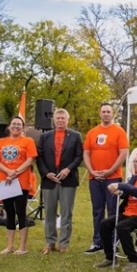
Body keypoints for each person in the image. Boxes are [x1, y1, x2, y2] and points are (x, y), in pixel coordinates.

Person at [94, 152, 137, 272]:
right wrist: (119, 192)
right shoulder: (135, 177)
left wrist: (121, 185)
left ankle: (134, 261)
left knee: (122, 227)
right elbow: (126, 193)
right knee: (104, 224)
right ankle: (110, 257)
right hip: (127, 213)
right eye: (136, 162)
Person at [83, 102, 129, 254]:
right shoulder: (92, 132)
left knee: (113, 211)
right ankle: (97, 242)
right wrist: (92, 171)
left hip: (113, 178)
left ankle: (113, 242)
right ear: (99, 113)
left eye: (109, 111)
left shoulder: (119, 131)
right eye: (103, 111)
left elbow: (123, 154)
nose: (106, 114)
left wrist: (110, 171)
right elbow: (86, 154)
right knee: (97, 211)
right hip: (94, 178)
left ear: (112, 113)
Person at [36, 108, 84, 254]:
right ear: (54, 120)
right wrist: (46, 173)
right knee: (49, 212)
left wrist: (68, 169)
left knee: (66, 213)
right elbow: (39, 157)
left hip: (68, 180)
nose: (60, 120)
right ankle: (50, 243)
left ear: (67, 120)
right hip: (49, 180)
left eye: (63, 118)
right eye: (58, 118)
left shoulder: (75, 136)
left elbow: (79, 156)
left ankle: (63, 244)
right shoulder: (45, 137)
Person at [0, 116, 37, 255]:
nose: (16, 126)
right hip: (4, 181)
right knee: (9, 213)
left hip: (21, 182)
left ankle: (22, 247)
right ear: (9, 126)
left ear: (23, 127)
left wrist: (16, 172)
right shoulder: (0, 141)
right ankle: (10, 246)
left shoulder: (28, 141)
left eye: (19, 124)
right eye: (14, 124)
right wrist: (8, 172)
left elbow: (30, 160)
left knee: (21, 212)